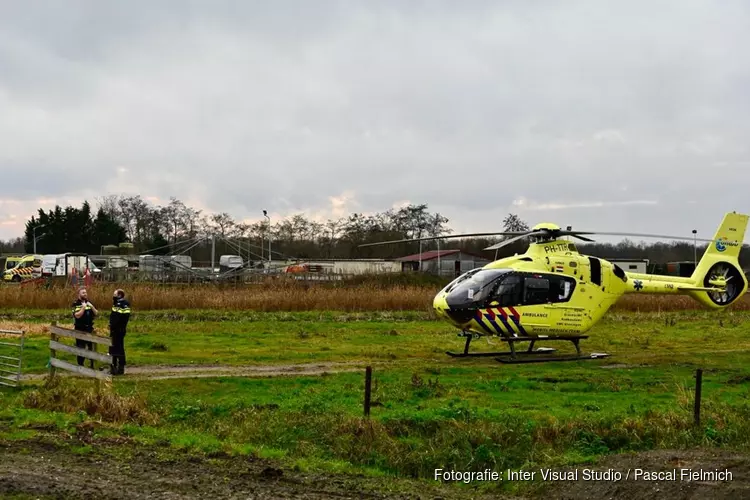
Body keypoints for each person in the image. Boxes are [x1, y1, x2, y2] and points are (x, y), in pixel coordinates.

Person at [72, 287, 97, 367]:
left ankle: (92, 365)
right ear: (79, 294)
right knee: (81, 347)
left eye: (85, 292)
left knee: (91, 347)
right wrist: (83, 307)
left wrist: (92, 306)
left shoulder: (89, 303)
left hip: (89, 328)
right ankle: (80, 365)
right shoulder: (76, 303)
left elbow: (96, 313)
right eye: (83, 293)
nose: (85, 294)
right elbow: (77, 316)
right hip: (80, 329)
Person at [109, 288, 131, 375]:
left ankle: (120, 367)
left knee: (119, 348)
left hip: (119, 330)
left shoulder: (123, 304)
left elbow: (121, 318)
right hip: (114, 329)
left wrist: (113, 325)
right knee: (112, 348)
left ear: (119, 295)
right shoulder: (115, 304)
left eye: (114, 294)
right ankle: (113, 367)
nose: (113, 296)